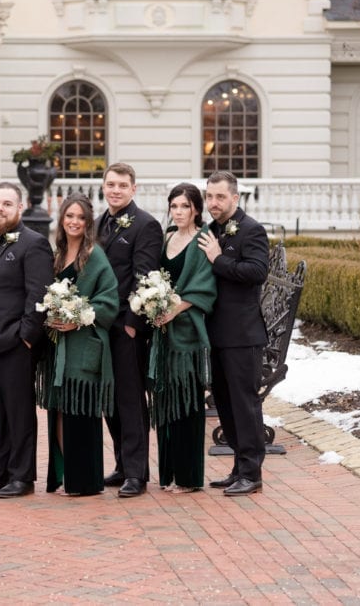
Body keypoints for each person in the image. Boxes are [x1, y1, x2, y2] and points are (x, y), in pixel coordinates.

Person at [0, 182, 54, 499]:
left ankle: (22, 476)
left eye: (6, 203)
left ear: (19, 208)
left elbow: (39, 294)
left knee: (19, 412)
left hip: (15, 344)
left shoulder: (34, 244)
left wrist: (27, 338)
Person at [36, 194, 119, 496]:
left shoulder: (94, 255)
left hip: (84, 345)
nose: (73, 222)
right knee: (57, 409)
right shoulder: (56, 254)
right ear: (62, 220)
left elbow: (109, 299)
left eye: (80, 218)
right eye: (69, 216)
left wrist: (78, 317)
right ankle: (67, 473)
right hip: (58, 346)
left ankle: (85, 480)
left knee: (80, 410)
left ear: (88, 223)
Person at [198, 170, 269, 496]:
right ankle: (238, 467)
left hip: (242, 335)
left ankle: (252, 473)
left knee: (244, 404)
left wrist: (218, 259)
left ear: (235, 198)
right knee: (224, 405)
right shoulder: (210, 229)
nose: (213, 202)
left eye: (220, 197)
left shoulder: (251, 230)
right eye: (210, 196)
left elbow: (256, 273)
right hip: (216, 334)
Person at [95, 162, 163, 498]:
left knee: (131, 400)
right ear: (103, 187)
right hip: (99, 327)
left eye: (122, 185)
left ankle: (137, 472)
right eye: (110, 184)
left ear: (133, 189)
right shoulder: (97, 223)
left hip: (126, 326)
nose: (116, 190)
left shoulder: (146, 225)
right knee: (110, 398)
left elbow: (145, 278)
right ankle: (122, 463)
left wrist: (133, 325)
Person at [149, 183, 217, 493]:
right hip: (163, 333)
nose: (178, 212)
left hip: (187, 335)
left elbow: (204, 286)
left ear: (196, 210)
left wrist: (175, 309)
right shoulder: (167, 238)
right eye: (174, 206)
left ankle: (189, 478)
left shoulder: (202, 240)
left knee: (187, 402)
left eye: (184, 207)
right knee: (165, 400)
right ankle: (169, 474)